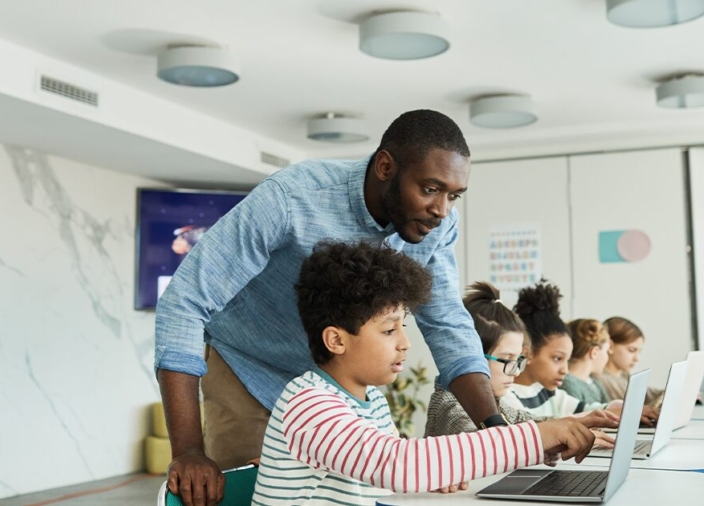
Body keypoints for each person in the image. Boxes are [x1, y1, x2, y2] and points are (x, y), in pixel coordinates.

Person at [155, 110, 505, 505]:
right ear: (386, 166)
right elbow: (184, 302)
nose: (442, 210)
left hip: (343, 384)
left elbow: (447, 324)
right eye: (430, 189)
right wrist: (187, 452)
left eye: (453, 196)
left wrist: (492, 425)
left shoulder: (434, 226)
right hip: (249, 369)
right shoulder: (293, 197)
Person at [252, 240, 606, 505]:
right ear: (336, 340)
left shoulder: (369, 397)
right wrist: (535, 437)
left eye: (403, 326)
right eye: (389, 330)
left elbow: (388, 468)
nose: (405, 343)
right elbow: (394, 463)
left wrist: (431, 475)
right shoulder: (309, 403)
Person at [424, 282, 618, 439]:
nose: (516, 372)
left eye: (518, 360)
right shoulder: (452, 407)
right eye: (507, 359)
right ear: (472, 358)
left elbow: (531, 421)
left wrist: (579, 425)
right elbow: (490, 445)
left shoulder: (495, 403)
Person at [507, 281, 622, 418]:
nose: (565, 370)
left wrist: (618, 408)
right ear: (528, 354)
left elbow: (588, 409)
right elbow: (543, 429)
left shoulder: (547, 392)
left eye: (567, 360)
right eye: (557, 359)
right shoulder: (507, 396)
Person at [594, 316, 664, 406]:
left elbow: (650, 393)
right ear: (610, 346)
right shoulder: (601, 379)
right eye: (631, 350)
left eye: (639, 352)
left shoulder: (623, 374)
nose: (637, 358)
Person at [560, 319, 611, 405]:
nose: (607, 357)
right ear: (594, 352)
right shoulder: (568, 385)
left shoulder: (595, 384)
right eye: (606, 351)